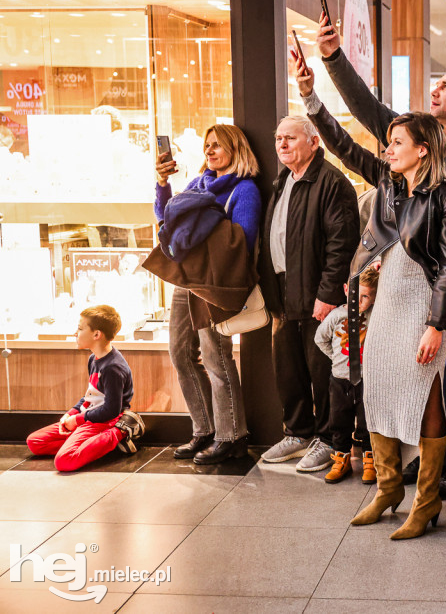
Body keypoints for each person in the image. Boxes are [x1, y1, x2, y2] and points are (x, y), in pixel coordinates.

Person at [314, 12, 446, 500]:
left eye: (445, 85)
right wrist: (333, 58)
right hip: (405, 287)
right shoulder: (416, 139)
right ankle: (429, 459)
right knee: (421, 374)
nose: (435, 89)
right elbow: (364, 109)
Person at [298, 49, 446, 538]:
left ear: (423, 149)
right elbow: (341, 144)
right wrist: (310, 96)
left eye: (398, 142)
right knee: (375, 385)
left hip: (424, 302)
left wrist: (437, 324)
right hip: (388, 295)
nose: (389, 149)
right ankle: (389, 488)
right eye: (389, 142)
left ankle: (427, 501)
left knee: (427, 394)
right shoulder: (389, 184)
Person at [259, 114, 361, 473]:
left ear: (313, 142)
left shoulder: (331, 182)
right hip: (284, 292)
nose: (282, 145)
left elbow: (342, 244)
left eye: (290, 138)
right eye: (278, 138)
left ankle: (329, 439)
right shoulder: (284, 180)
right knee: (289, 370)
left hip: (316, 292)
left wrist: (328, 293)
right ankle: (298, 432)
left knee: (322, 372)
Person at [155, 124, 261, 465]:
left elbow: (241, 243)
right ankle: (204, 429)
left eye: (217, 145)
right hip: (185, 279)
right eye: (207, 146)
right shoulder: (198, 185)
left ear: (235, 149)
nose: (210, 151)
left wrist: (201, 231)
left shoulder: (244, 190)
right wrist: (162, 185)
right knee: (180, 353)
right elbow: (165, 218)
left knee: (216, 359)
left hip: (212, 284)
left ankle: (232, 436)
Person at [26, 306, 144, 471]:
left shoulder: (113, 368)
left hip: (106, 421)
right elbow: (90, 396)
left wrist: (78, 420)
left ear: (96, 335)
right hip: (87, 416)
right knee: (35, 442)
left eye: (80, 329)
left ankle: (121, 433)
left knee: (64, 461)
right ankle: (91, 444)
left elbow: (111, 410)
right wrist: (70, 414)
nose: (76, 333)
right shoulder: (93, 359)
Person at [314, 266, 379, 484]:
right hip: (340, 379)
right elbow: (319, 339)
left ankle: (371, 459)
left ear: (374, 297)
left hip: (366, 379)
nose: (359, 301)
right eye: (355, 295)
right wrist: (335, 359)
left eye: (365, 297)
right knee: (339, 420)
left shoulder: (374, 317)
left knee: (367, 420)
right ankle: (341, 458)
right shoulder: (335, 316)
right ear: (345, 290)